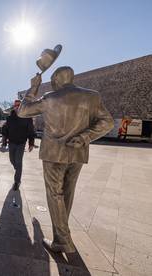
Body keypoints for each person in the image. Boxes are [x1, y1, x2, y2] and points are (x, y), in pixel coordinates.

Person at [18, 67, 114, 253]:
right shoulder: (92, 96)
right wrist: (85, 137)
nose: (52, 82)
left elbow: (23, 111)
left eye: (53, 79)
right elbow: (107, 122)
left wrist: (33, 88)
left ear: (56, 79)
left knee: (55, 195)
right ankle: (60, 235)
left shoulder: (50, 98)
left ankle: (62, 240)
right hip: (77, 153)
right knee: (67, 193)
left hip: (54, 154)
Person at [4, 100, 35, 192]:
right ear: (14, 107)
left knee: (18, 161)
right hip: (12, 142)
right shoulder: (10, 118)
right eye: (16, 106)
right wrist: (4, 140)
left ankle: (17, 181)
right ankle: (18, 170)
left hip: (21, 143)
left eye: (19, 106)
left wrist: (31, 143)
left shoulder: (27, 118)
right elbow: (6, 129)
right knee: (12, 160)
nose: (17, 107)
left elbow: (31, 131)